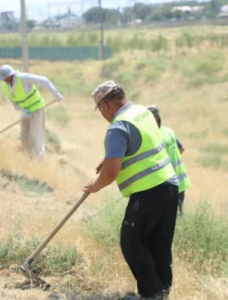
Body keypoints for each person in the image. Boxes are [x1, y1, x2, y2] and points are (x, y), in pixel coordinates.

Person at [83, 81, 179, 300]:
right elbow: (141, 142)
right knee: (159, 242)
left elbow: (110, 173)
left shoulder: (117, 127)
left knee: (131, 240)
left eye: (100, 109)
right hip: (169, 185)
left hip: (148, 190)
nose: (102, 114)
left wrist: (95, 186)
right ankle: (162, 291)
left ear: (106, 105)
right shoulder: (141, 112)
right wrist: (110, 156)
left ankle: (151, 293)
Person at [0, 64, 63, 159]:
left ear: (10, 75)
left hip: (37, 109)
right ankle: (30, 158)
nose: (4, 80)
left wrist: (56, 94)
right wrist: (23, 111)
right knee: (24, 137)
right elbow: (14, 103)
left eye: (5, 78)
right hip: (26, 112)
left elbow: (43, 80)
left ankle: (39, 161)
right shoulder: (6, 87)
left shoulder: (23, 78)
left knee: (34, 136)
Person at [147, 105, 192, 214]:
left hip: (168, 184)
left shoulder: (154, 137)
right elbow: (181, 149)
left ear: (155, 119)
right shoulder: (168, 131)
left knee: (167, 220)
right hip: (180, 181)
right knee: (178, 216)